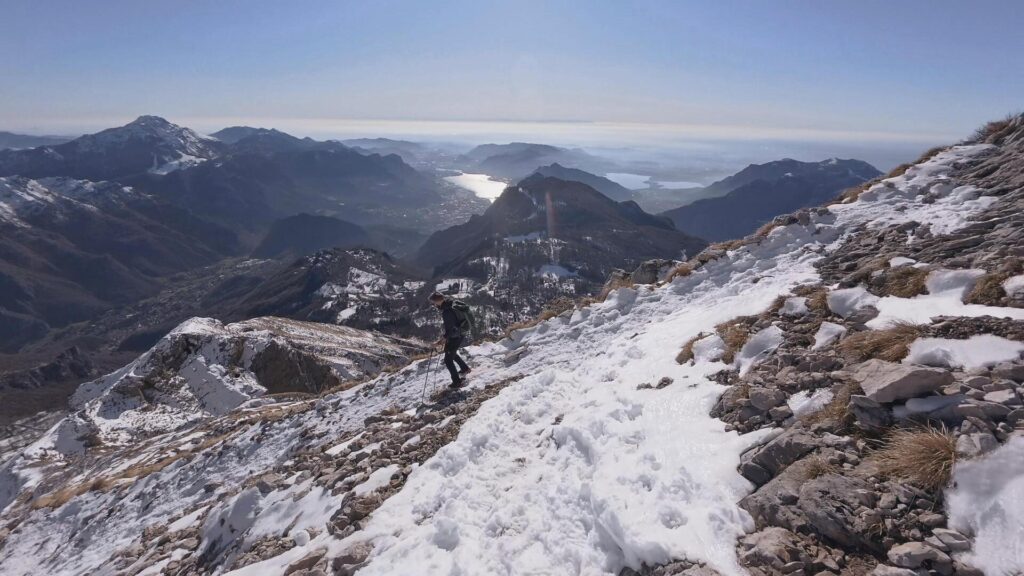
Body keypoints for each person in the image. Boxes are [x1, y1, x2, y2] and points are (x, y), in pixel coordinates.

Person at [429, 292, 471, 387]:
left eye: (434, 302)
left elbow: (450, 330)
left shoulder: (447, 311)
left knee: (448, 360)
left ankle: (457, 382)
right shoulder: (450, 303)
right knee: (450, 352)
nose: (433, 304)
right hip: (460, 333)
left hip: (455, 336)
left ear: (438, 301)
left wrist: (439, 342)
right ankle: (464, 368)